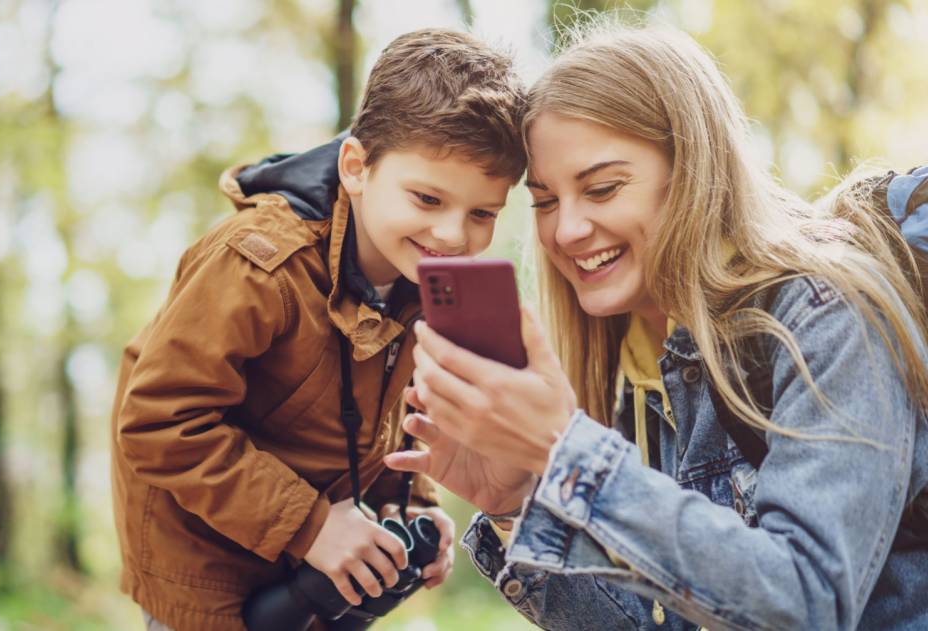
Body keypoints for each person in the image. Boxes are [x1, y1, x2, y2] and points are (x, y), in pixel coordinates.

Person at [385, 23, 928, 630]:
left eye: (602, 188)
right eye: (544, 201)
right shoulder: (632, 363)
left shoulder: (823, 317)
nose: (565, 232)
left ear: (694, 171)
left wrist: (569, 453)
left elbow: (806, 606)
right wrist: (517, 505)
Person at [110, 28, 527, 631]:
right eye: (428, 199)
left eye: (483, 212)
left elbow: (380, 419)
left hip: (319, 576)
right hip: (213, 581)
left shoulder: (427, 279)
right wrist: (312, 526)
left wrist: (409, 504)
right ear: (356, 167)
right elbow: (158, 420)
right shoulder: (258, 264)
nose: (454, 236)